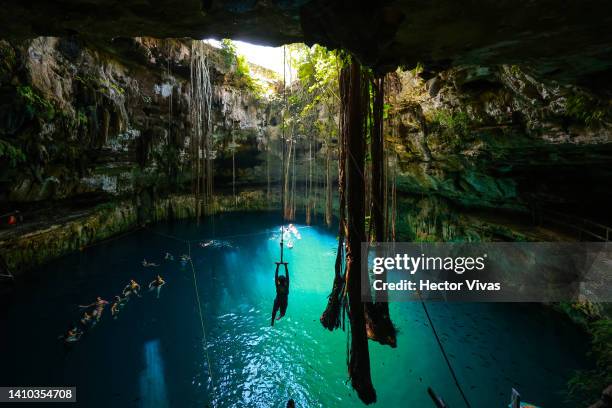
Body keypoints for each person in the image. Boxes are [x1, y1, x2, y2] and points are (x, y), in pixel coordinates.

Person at [271, 262, 289, 326]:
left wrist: (277, 266)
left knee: (274, 312)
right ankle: (279, 316)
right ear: (285, 281)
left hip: (279, 300)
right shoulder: (286, 286)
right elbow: (287, 276)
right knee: (282, 313)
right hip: (282, 301)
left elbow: (276, 276)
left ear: (279, 281)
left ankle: (273, 321)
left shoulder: (278, 285)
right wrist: (286, 266)